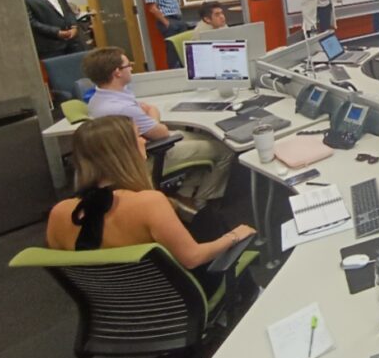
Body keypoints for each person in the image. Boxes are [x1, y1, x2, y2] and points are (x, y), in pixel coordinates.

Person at [46, 116, 254, 291]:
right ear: (122, 151)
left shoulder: (58, 213)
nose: (144, 141)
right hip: (172, 301)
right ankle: (250, 293)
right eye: (137, 136)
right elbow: (193, 258)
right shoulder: (149, 203)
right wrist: (235, 235)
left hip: (112, 311)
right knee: (211, 220)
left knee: (204, 219)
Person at [83, 46, 233, 206]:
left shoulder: (98, 98)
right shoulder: (121, 108)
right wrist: (153, 112)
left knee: (208, 138)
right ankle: (203, 202)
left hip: (130, 153)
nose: (131, 68)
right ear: (117, 72)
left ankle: (186, 194)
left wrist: (146, 115)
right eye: (128, 65)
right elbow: (161, 133)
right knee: (224, 149)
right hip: (146, 157)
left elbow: (143, 113)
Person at [18, 0, 83, 59]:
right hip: (51, 46)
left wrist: (74, 27)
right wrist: (57, 32)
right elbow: (30, 21)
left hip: (73, 42)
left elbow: (67, 11)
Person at [142, 0, 187, 67]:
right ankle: (174, 72)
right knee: (172, 49)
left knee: (182, 47)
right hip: (168, 20)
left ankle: (184, 69)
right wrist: (166, 23)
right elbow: (152, 8)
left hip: (179, 19)